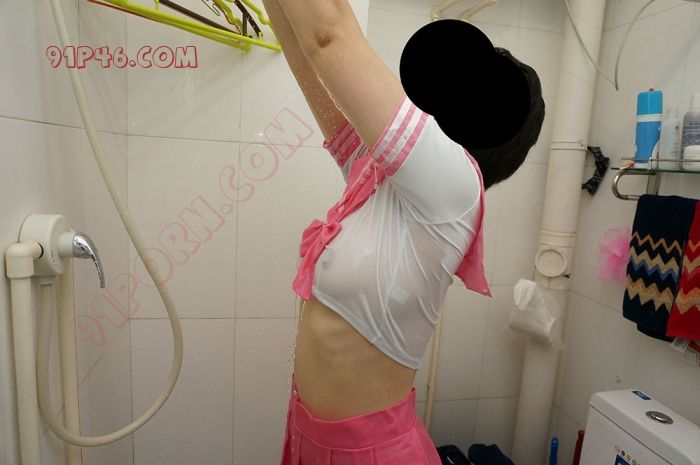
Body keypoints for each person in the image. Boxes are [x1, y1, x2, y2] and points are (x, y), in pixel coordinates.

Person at [259, 0, 545, 463]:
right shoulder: (378, 178)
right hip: (309, 436)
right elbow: (307, 61)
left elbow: (329, 38)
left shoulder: (454, 184)